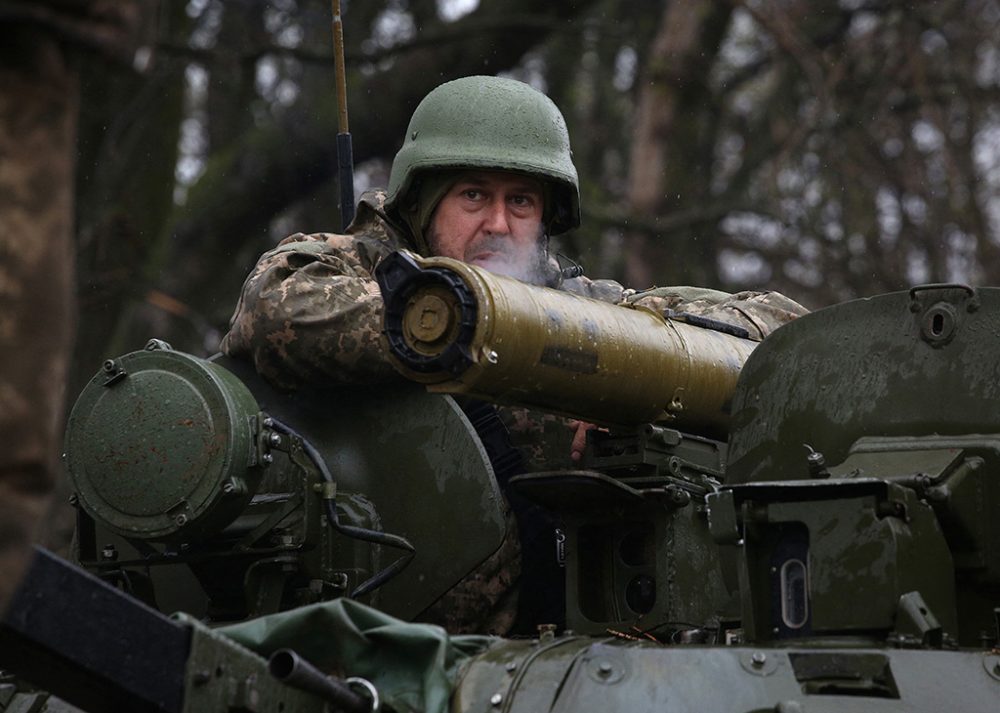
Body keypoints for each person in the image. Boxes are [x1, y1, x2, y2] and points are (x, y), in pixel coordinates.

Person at [222, 75, 807, 634]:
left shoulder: (586, 311)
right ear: (423, 202)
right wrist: (456, 323)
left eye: (521, 201)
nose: (498, 224)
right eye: (473, 195)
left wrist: (629, 370)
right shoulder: (335, 267)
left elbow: (780, 329)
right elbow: (276, 317)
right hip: (349, 640)